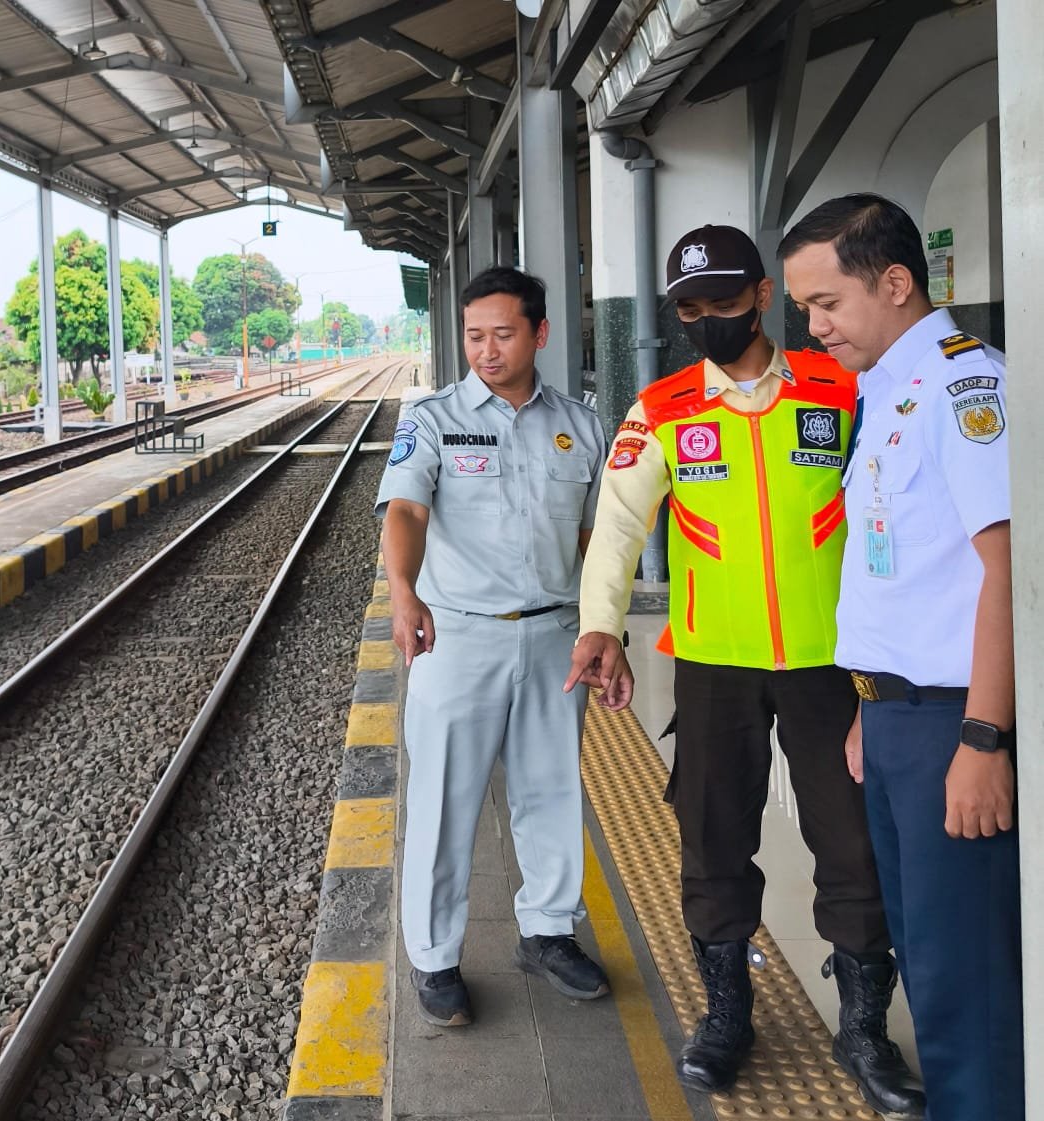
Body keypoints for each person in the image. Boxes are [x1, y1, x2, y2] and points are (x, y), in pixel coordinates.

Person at [568, 224, 923, 1116]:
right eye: (687, 308)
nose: (705, 321)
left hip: (834, 666)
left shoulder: (840, 389)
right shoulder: (660, 406)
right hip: (713, 667)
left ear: (763, 297)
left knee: (852, 844)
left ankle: (863, 1027)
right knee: (713, 838)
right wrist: (599, 627)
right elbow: (616, 523)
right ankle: (727, 1014)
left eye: (721, 303)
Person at [780, 194, 1020, 1121]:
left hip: (952, 723)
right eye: (802, 308)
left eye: (826, 303)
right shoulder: (885, 385)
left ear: (894, 282)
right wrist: (863, 707)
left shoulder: (968, 387)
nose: (814, 326)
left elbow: (1006, 575)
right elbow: (896, 571)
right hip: (893, 718)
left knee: (966, 980)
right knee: (923, 955)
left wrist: (983, 736)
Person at [375, 266, 610, 1026]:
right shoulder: (435, 418)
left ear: (538, 334)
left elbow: (592, 534)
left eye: (502, 333)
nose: (485, 349)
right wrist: (402, 590)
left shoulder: (581, 423)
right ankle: (435, 956)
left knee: (550, 790)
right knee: (446, 799)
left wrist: (600, 624)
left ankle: (547, 931)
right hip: (457, 636)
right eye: (473, 335)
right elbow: (406, 510)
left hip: (552, 634)